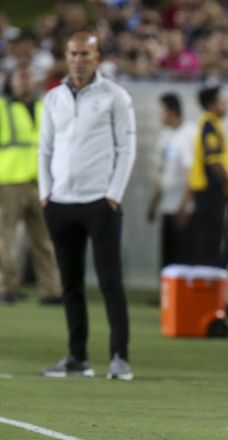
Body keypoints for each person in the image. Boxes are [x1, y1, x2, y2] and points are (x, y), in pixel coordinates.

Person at [38, 31, 136, 380]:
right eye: (74, 53)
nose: (79, 59)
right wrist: (46, 194)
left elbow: (127, 148)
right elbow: (45, 149)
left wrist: (113, 195)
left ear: (97, 57)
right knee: (71, 284)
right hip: (61, 203)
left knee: (111, 282)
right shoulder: (53, 99)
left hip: (100, 203)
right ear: (67, 57)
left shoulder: (115, 97)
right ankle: (77, 357)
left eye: (86, 54)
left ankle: (119, 358)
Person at [0, 64, 62, 304]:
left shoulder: (43, 107)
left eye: (28, 77)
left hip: (40, 181)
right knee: (6, 239)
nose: (25, 82)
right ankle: (5, 287)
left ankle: (51, 290)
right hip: (9, 181)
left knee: (44, 239)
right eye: (20, 77)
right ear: (11, 82)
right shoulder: (3, 107)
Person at [186, 86, 228, 267]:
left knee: (210, 238)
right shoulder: (209, 125)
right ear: (211, 105)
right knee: (210, 240)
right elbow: (214, 162)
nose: (226, 105)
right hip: (210, 192)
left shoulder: (212, 124)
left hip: (210, 192)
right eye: (222, 101)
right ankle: (205, 282)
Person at [146, 93, 195, 269]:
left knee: (181, 256)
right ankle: (166, 295)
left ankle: (180, 296)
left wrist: (184, 205)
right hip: (167, 205)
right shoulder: (166, 135)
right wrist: (154, 203)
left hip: (183, 208)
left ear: (172, 111)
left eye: (161, 111)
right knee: (167, 256)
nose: (158, 115)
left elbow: (192, 172)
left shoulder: (189, 133)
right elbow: (163, 172)